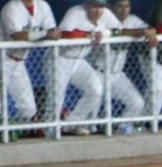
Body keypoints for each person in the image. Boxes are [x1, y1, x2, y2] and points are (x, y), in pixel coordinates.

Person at [91, 0, 158, 134]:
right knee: (92, 111)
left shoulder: (132, 20)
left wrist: (150, 32)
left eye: (127, 6)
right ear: (111, 7)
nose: (123, 10)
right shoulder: (103, 20)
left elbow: (151, 29)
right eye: (120, 6)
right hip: (98, 72)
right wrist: (140, 32)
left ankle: (121, 127)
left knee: (137, 103)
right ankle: (88, 132)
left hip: (117, 75)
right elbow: (119, 32)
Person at [56, 0, 122, 135]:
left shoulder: (106, 13)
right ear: (86, 5)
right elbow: (65, 34)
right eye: (94, 6)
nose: (98, 10)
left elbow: (119, 30)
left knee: (95, 90)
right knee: (56, 98)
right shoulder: (75, 12)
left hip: (80, 60)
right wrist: (89, 35)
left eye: (100, 6)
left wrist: (104, 33)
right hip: (60, 58)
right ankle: (50, 133)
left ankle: (71, 124)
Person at [1, 0, 60, 135]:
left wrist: (49, 33)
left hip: (19, 61)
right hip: (2, 58)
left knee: (28, 108)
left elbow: (53, 32)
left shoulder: (42, 6)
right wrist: (44, 34)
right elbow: (17, 36)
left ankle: (17, 132)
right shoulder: (12, 8)